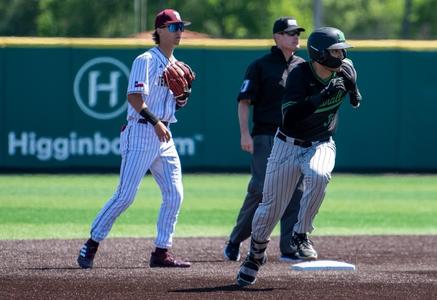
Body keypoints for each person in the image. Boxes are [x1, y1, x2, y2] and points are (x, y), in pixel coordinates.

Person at [236, 27, 362, 286]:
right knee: (269, 209)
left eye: (342, 50)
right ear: (319, 54)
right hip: (287, 145)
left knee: (319, 175)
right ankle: (255, 255)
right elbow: (290, 117)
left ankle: (301, 233)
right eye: (336, 51)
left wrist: (352, 87)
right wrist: (322, 96)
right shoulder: (299, 75)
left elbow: (355, 100)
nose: (342, 55)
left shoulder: (347, 67)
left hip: (321, 143)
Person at [77, 8, 193, 269]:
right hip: (142, 130)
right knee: (126, 195)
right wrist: (155, 122)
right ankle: (91, 243)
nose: (179, 33)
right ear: (160, 30)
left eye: (181, 28)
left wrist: (181, 99)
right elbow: (134, 98)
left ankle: (161, 252)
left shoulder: (176, 65)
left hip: (164, 134)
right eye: (174, 28)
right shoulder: (146, 60)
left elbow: (175, 102)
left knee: (175, 194)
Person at [224, 17, 307, 262]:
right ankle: (235, 239)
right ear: (277, 37)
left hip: (296, 139)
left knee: (296, 191)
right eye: (290, 33)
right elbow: (243, 101)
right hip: (267, 137)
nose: (295, 36)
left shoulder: (303, 67)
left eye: (297, 33)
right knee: (260, 190)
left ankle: (289, 248)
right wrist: (244, 133)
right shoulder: (260, 66)